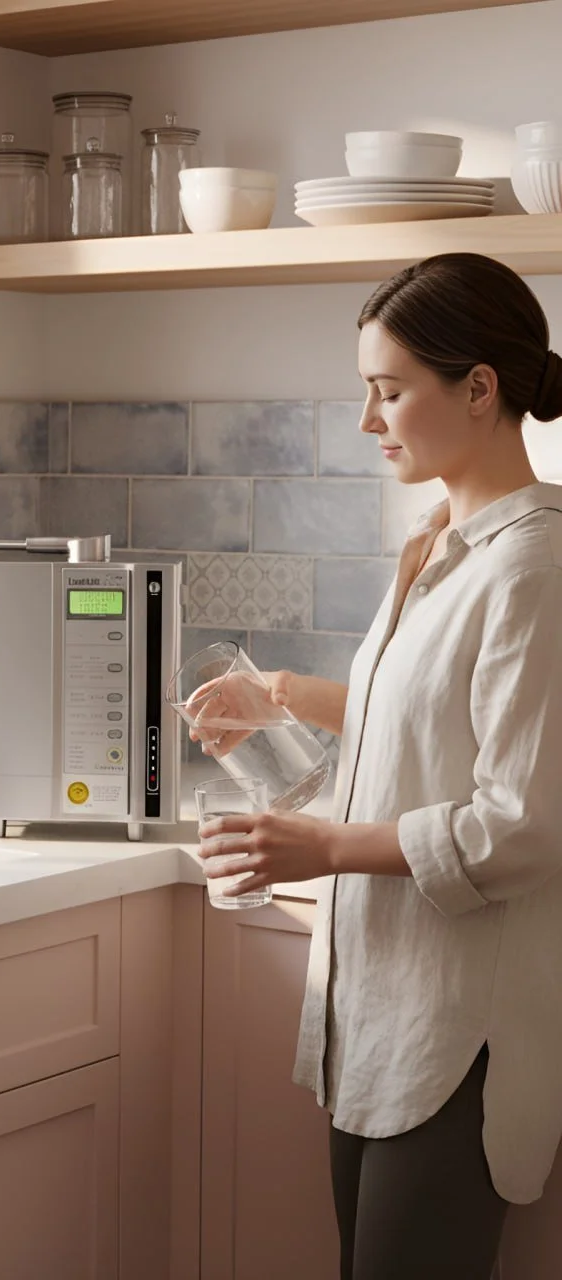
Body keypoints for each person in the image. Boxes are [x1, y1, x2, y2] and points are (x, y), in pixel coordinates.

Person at [196, 252, 562, 1280]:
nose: (368, 420)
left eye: (389, 391)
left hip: (461, 1037)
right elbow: (431, 715)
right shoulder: (440, 540)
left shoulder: (532, 566)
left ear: (479, 387)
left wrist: (320, 847)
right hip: (381, 1014)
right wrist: (279, 695)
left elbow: (521, 825)